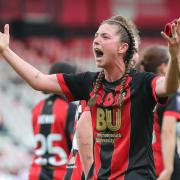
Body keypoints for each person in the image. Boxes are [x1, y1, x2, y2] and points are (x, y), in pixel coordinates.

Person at [0, 15, 179, 179]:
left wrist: (174, 56)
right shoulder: (89, 82)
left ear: (123, 48)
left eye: (105, 37)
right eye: (95, 36)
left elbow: (169, 86)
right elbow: (38, 80)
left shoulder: (142, 82)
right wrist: (6, 51)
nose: (96, 41)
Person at [29, 62, 77, 180]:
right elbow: (77, 147)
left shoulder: (37, 108)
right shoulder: (70, 109)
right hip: (62, 174)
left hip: (35, 174)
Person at [140, 45, 180, 180]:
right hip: (162, 165)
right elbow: (168, 131)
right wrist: (168, 169)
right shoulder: (169, 93)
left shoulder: (139, 89)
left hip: (139, 164)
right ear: (163, 67)